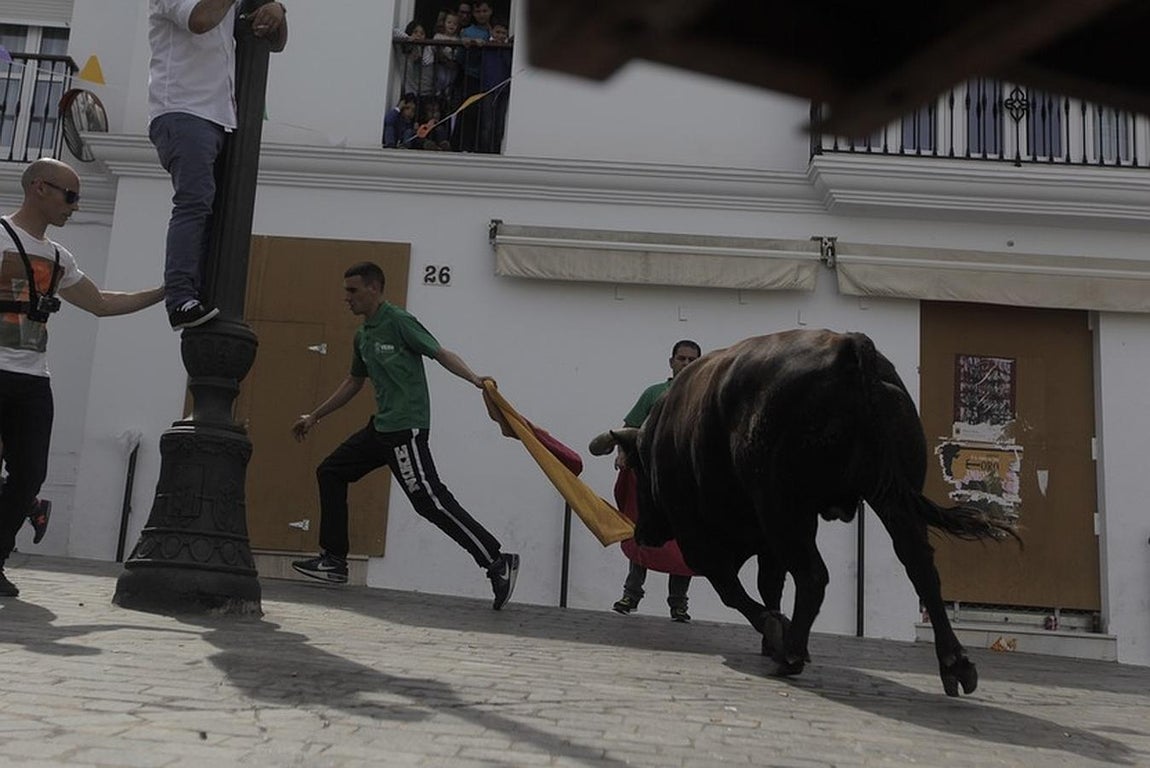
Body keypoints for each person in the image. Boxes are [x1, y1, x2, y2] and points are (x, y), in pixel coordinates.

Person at [290, 262, 520, 610]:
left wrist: (474, 379)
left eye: (352, 291)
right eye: (346, 291)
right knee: (331, 471)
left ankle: (496, 560)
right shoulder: (363, 335)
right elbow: (354, 381)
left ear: (374, 289)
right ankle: (334, 560)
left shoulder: (399, 321)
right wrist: (315, 416)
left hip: (405, 430)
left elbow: (439, 352)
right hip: (380, 429)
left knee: (431, 502)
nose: (346, 298)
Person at [0, 158, 165, 597]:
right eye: (69, 196)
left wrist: (166, 292)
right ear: (40, 188)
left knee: (30, 473)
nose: (74, 206)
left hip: (33, 379)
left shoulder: (59, 258)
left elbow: (102, 303)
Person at [148, 0, 287, 331]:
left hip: (219, 117)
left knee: (212, 210)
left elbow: (275, 40)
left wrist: (278, 9)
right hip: (182, 110)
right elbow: (199, 20)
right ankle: (180, 298)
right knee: (194, 204)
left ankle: (198, 292)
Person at [612, 339, 701, 622]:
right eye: (681, 359)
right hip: (650, 479)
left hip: (685, 481)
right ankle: (631, 595)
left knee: (682, 543)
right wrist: (623, 453)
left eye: (691, 360)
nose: (686, 364)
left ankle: (678, 604)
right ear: (671, 361)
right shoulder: (654, 393)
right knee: (643, 534)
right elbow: (630, 428)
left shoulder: (704, 394)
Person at [453, 0, 492, 151]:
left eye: (484, 11)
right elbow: (460, 59)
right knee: (468, 111)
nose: (481, 14)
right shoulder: (467, 31)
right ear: (473, 14)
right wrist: (465, 44)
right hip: (471, 76)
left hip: (489, 78)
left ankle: (481, 147)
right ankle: (463, 146)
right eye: (478, 11)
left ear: (490, 11)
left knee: (486, 116)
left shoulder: (494, 30)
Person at [478, 19, 512, 154]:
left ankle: (496, 151)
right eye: (498, 32)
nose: (500, 36)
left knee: (499, 126)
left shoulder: (507, 49)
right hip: (488, 89)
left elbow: (510, 65)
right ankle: (485, 152)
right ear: (491, 32)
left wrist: (504, 48)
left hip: (503, 90)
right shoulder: (487, 46)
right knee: (487, 125)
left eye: (504, 33)